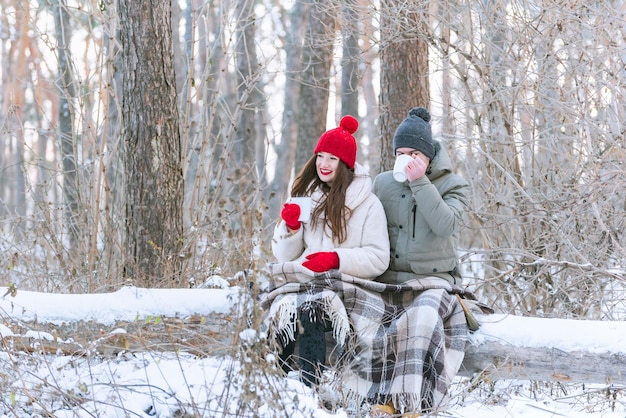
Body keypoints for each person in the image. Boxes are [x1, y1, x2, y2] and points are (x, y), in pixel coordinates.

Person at [263, 115, 390, 388]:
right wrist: (292, 227)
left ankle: (310, 388)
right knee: (287, 306)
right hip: (305, 280)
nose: (323, 164)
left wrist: (335, 259)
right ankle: (282, 389)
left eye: (332, 158)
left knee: (314, 305)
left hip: (346, 285)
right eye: (320, 156)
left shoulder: (369, 205)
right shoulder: (305, 194)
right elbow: (284, 257)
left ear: (345, 164)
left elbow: (379, 258)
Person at [366, 107, 472, 417]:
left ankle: (409, 405)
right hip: (388, 280)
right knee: (380, 319)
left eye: (414, 153)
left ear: (428, 154)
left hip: (436, 280)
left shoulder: (453, 185)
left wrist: (420, 182)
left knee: (423, 315)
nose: (407, 159)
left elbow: (447, 224)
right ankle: (383, 401)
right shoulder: (382, 183)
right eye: (401, 153)